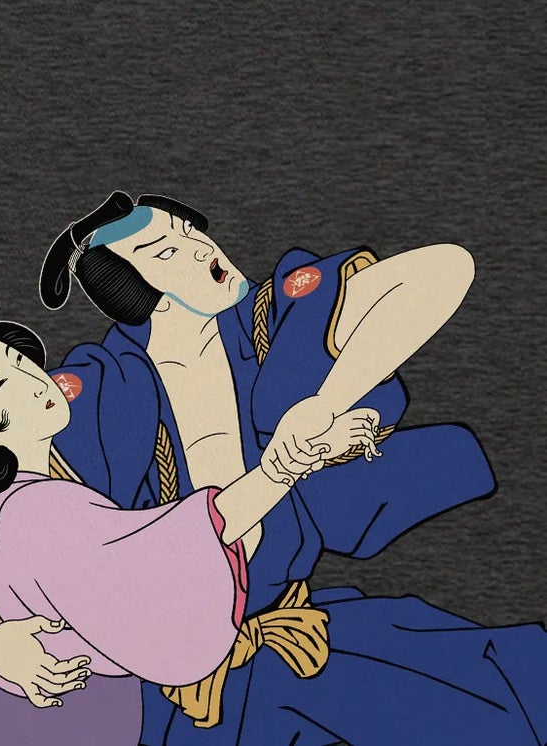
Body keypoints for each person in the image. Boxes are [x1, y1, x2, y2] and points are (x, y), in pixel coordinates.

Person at [35, 192, 547, 744]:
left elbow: (445, 269)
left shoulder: (265, 319)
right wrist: (3, 641)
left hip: (301, 637)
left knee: (499, 698)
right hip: (186, 686)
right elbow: (24, 512)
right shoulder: (105, 387)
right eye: (166, 252)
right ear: (139, 297)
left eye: (190, 231)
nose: (200, 247)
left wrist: (326, 404)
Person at [0, 296, 377, 746]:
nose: (33, 380)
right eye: (0, 382)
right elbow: (175, 545)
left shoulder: (1, 502)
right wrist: (284, 466)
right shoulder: (36, 512)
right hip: (63, 722)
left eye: (18, 360)